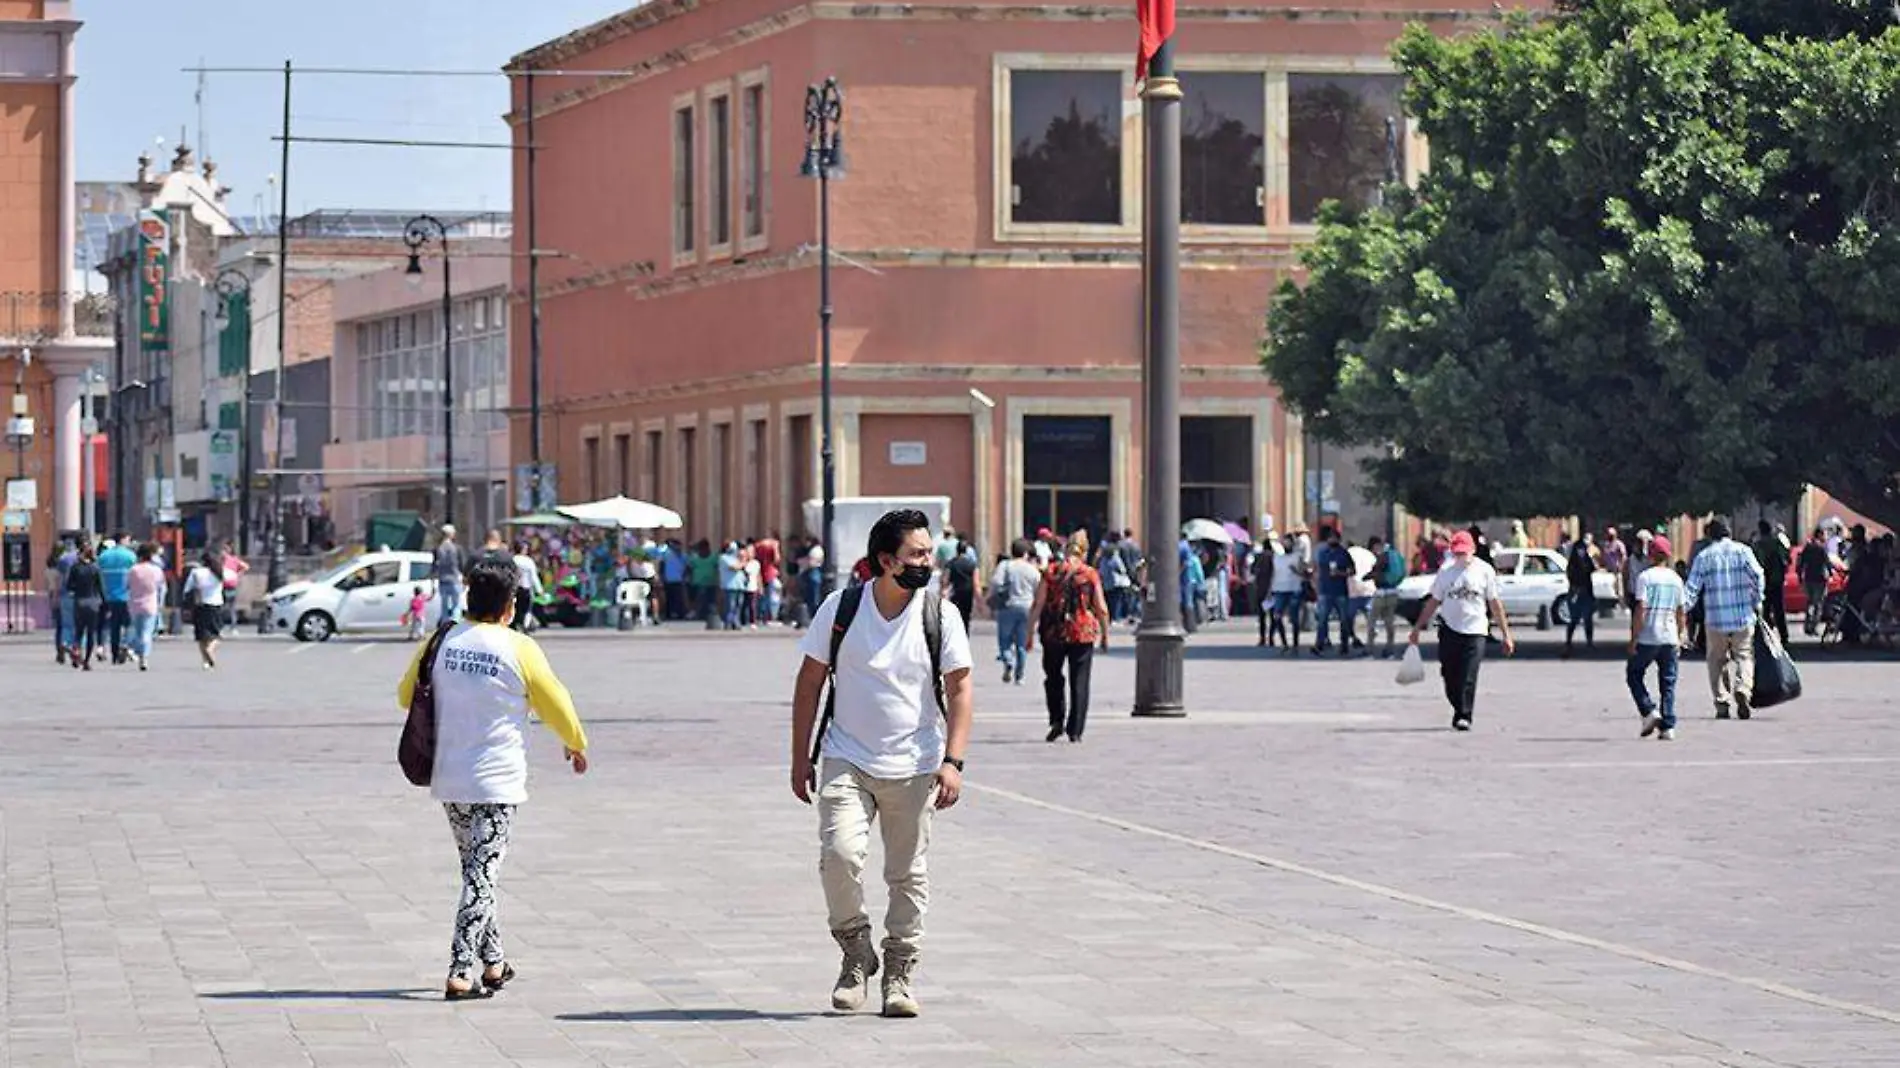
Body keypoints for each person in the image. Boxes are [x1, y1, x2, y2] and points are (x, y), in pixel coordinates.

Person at [789, 509, 974, 1019]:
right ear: (886, 561)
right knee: (840, 856)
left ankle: (899, 972)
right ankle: (854, 950)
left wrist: (953, 760)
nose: (927, 562)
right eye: (916, 554)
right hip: (846, 756)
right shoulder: (841, 608)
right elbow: (809, 683)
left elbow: (959, 688)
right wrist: (799, 757)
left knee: (906, 873)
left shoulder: (941, 616)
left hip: (915, 763)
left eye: (928, 552)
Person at [396, 557, 590, 1001]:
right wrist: (575, 741)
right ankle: (461, 969)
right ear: (510, 606)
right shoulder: (518, 647)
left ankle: (495, 962)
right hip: (496, 782)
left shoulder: (441, 639)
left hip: (449, 778)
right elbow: (555, 700)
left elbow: (405, 694)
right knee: (481, 877)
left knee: (477, 871)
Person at [1408, 531, 1516, 731]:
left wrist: (1506, 635)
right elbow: (1434, 601)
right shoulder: (1446, 571)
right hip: (1449, 628)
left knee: (1468, 673)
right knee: (1449, 674)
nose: (1461, 557)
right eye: (1457, 553)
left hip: (1475, 630)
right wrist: (1417, 628)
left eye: (1465, 553)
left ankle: (1464, 714)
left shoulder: (1484, 571)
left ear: (1473, 551)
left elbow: (1494, 603)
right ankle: (1458, 704)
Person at [1028, 531, 1110, 744]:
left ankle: (1056, 720)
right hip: (1082, 632)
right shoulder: (1089, 574)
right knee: (1080, 681)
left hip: (1053, 632)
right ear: (1084, 551)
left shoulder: (1052, 571)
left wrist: (1029, 633)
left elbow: (1038, 604)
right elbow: (1101, 607)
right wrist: (1105, 634)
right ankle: (1075, 729)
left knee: (1053, 678)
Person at [1684, 519, 1765, 720]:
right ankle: (1743, 689)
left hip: (1715, 618)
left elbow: (1692, 588)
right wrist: (1756, 600)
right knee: (1744, 655)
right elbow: (1758, 575)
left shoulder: (1704, 556)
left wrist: (1681, 610)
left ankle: (1722, 702)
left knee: (1716, 661)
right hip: (1742, 615)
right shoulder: (1743, 551)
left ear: (1710, 535)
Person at [1627, 535, 1686, 741]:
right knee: (1668, 682)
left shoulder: (1646, 577)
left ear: (1651, 555)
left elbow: (1640, 608)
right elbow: (1681, 612)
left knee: (1634, 674)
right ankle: (1668, 726)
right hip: (1669, 636)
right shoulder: (1676, 579)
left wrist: (1634, 638)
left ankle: (1648, 710)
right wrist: (1680, 635)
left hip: (1649, 635)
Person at [991, 539, 1040, 684]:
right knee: (1022, 643)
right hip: (1027, 607)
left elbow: (996, 583)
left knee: (1004, 639)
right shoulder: (1031, 569)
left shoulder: (1005, 566)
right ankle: (1020, 676)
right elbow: (1039, 586)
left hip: (1007, 606)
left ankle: (1008, 659)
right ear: (1025, 553)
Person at [1311, 527, 1352, 657]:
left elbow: (1352, 571)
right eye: (1330, 537)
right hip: (1325, 589)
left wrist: (1340, 573)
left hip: (1340, 590)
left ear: (1338, 540)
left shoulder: (1344, 553)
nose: (1332, 540)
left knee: (1344, 619)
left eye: (1334, 538)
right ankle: (1320, 644)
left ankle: (1344, 644)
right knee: (1322, 619)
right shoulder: (1323, 552)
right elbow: (1317, 569)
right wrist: (1316, 584)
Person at [125, 544, 165, 671]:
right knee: (147, 632)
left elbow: (127, 585)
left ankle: (133, 649)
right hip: (150, 603)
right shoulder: (156, 570)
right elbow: (160, 586)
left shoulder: (133, 570)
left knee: (137, 631)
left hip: (134, 603)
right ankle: (144, 658)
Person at [96, 535, 136, 665]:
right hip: (126, 596)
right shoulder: (130, 556)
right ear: (123, 540)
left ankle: (114, 653)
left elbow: (99, 577)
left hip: (109, 596)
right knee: (130, 624)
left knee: (114, 626)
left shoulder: (103, 557)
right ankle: (125, 644)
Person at [63, 545, 104, 672]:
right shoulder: (95, 568)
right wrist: (105, 604)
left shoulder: (75, 568)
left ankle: (76, 650)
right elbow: (101, 588)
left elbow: (69, 586)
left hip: (79, 601)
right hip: (93, 602)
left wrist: (75, 589)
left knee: (79, 631)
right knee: (91, 633)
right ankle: (86, 661)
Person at [1265, 532, 1305, 654]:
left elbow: (1304, 574)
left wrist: (1296, 571)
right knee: (1277, 616)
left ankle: (1295, 645)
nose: (1286, 544)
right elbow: (1273, 575)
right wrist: (1269, 591)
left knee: (1294, 618)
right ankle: (1284, 643)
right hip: (1279, 589)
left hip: (1294, 589)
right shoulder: (1277, 557)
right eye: (1284, 542)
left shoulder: (1297, 556)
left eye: (1288, 542)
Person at [184, 551, 226, 670]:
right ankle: (210, 649)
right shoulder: (219, 572)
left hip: (200, 605)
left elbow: (188, 588)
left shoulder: (196, 572)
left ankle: (205, 661)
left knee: (202, 635)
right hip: (216, 605)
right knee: (216, 634)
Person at [1752, 519, 1791, 644]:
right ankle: (1784, 636)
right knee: (1779, 609)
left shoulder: (1758, 545)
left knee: (1765, 610)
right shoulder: (1777, 543)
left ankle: (1766, 636)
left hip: (1763, 582)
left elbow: (1755, 564)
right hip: (1777, 580)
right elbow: (1787, 559)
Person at [1368, 535, 1407, 659]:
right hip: (1393, 593)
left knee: (1372, 622)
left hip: (1381, 594)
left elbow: (1376, 572)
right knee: (1389, 623)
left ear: (1376, 546)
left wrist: (1368, 577)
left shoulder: (1382, 557)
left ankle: (1370, 650)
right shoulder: (1396, 555)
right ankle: (1390, 650)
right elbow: (1403, 573)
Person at [1564, 531, 1599, 657]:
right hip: (1576, 591)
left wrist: (1591, 556)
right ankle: (1568, 642)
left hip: (1586, 591)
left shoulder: (1587, 558)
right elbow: (1571, 575)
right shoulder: (1573, 563)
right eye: (1579, 549)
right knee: (1574, 618)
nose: (1581, 552)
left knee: (1588, 618)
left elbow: (1594, 567)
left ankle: (1589, 641)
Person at [1797, 528, 1834, 636]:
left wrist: (1800, 576)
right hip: (1820, 579)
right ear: (1820, 535)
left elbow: (1801, 563)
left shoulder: (1808, 547)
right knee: (1818, 604)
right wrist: (1831, 573)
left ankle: (1807, 625)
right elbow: (1827, 562)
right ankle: (1813, 626)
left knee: (1809, 603)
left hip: (1809, 578)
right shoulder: (1822, 548)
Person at [433, 525, 466, 622]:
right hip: (455, 580)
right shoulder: (457, 548)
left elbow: (434, 566)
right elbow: (462, 565)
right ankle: (455, 624)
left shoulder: (437, 549)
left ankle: (444, 626)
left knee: (444, 607)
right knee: (456, 606)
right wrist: (464, 579)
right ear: (452, 534)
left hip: (442, 580)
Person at [942, 539, 977, 627]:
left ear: (957, 550)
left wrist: (943, 590)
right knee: (966, 617)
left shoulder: (951, 563)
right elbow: (976, 582)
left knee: (956, 616)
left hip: (955, 593)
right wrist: (979, 599)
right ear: (966, 550)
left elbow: (945, 580)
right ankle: (965, 636)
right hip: (968, 593)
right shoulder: (972, 564)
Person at [511, 542, 544, 632]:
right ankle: (525, 626)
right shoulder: (529, 561)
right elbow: (534, 577)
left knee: (514, 608)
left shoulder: (512, 560)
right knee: (527, 610)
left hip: (514, 589)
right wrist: (540, 590)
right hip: (526, 589)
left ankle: (514, 626)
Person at [219, 540, 251, 631]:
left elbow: (246, 566)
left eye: (224, 550)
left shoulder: (229, 560)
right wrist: (238, 574)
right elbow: (246, 566)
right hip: (229, 584)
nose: (222, 552)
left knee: (224, 606)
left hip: (227, 585)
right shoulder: (232, 560)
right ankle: (232, 625)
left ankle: (225, 624)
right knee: (230, 606)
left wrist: (238, 574)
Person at [719, 541, 748, 631]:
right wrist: (743, 562)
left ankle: (736, 622)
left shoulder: (736, 559)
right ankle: (728, 623)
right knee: (730, 606)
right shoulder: (724, 558)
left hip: (739, 585)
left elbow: (743, 568)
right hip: (729, 586)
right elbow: (734, 567)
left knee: (738, 605)